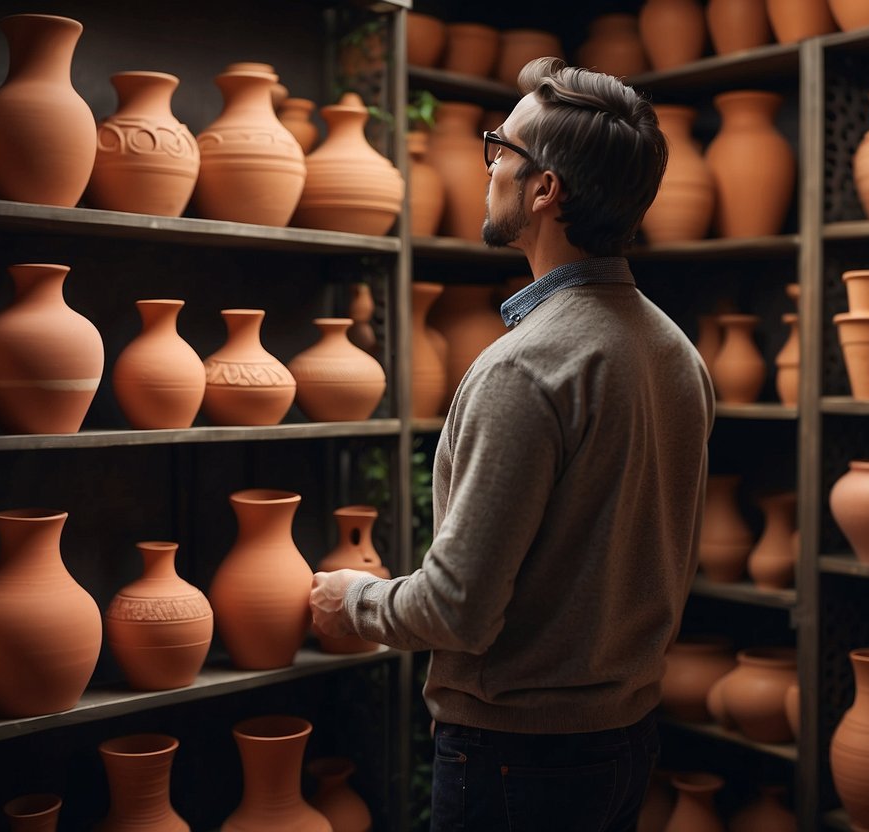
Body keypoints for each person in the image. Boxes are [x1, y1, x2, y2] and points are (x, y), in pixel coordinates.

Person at [310, 57, 714, 831]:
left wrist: (351, 601)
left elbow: (458, 611)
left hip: (517, 762)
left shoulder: (525, 370)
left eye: (500, 146)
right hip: (623, 745)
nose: (488, 163)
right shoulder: (674, 352)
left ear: (544, 189)